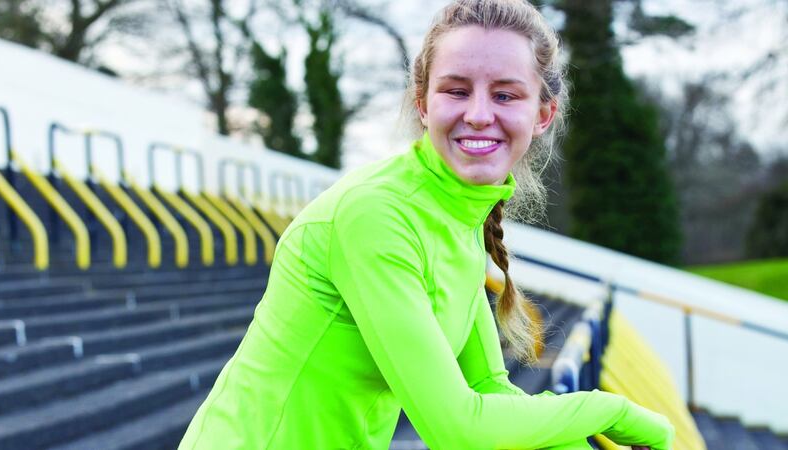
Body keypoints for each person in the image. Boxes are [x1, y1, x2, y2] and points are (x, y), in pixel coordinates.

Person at [179, 0, 675, 449]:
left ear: (542, 114)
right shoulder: (376, 215)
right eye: (457, 91)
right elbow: (457, 430)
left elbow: (489, 389)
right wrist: (608, 409)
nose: (479, 115)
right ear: (423, 103)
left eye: (505, 95)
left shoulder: (457, 218)